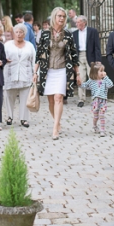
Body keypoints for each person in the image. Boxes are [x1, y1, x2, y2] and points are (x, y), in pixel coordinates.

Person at [33, 7, 80, 140]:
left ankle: (55, 129)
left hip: (62, 70)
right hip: (47, 71)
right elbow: (39, 54)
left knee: (58, 97)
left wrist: (77, 73)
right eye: (59, 16)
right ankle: (57, 122)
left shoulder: (68, 34)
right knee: (50, 100)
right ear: (54, 17)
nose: (62, 18)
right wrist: (35, 72)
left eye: (64, 16)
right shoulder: (45, 34)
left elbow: (74, 54)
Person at [3, 23, 36, 128]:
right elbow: (1, 58)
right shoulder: (7, 45)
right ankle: (9, 116)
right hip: (10, 74)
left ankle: (24, 118)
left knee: (25, 98)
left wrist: (35, 73)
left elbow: (34, 60)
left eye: (20, 32)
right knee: (9, 96)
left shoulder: (29, 46)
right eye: (16, 32)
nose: (18, 34)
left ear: (24, 34)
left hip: (25, 75)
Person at [73, 15, 102, 107]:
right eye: (76, 22)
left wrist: (98, 60)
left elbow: (97, 46)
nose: (76, 24)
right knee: (81, 78)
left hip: (91, 56)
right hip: (79, 56)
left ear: (84, 22)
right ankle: (81, 99)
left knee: (93, 78)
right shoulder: (74, 33)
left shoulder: (92, 31)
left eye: (78, 22)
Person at [81, 64, 114, 137]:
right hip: (95, 101)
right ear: (95, 72)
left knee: (102, 115)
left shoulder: (104, 80)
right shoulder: (91, 81)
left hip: (103, 101)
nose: (103, 72)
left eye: (103, 70)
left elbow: (110, 85)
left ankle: (102, 130)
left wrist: (106, 77)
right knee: (96, 117)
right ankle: (94, 125)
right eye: (101, 71)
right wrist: (79, 83)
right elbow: (85, 85)